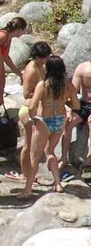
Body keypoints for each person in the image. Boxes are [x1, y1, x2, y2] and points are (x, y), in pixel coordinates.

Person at [25, 56, 80, 196]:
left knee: (34, 156)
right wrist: (63, 104)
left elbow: (33, 105)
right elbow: (76, 105)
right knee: (50, 151)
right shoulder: (68, 85)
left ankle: (27, 189)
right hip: (60, 120)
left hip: (44, 120)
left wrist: (33, 117)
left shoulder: (43, 85)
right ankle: (58, 183)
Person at [11, 41, 50, 188]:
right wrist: (43, 93)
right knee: (28, 145)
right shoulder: (31, 69)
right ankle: (25, 174)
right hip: (28, 110)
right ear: (38, 56)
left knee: (33, 145)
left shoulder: (41, 66)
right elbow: (26, 93)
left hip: (37, 108)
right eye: (44, 57)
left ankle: (29, 174)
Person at [70, 61, 91, 181]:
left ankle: (89, 160)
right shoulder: (82, 68)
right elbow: (73, 90)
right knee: (68, 124)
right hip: (82, 104)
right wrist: (70, 110)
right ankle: (62, 158)